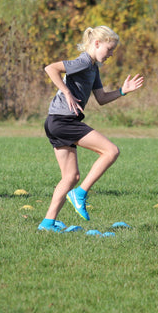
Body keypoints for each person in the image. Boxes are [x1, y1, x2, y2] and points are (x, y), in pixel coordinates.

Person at [38, 26, 144, 232]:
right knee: (111, 151)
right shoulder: (84, 60)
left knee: (71, 177)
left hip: (56, 121)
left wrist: (123, 91)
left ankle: (47, 223)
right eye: (109, 49)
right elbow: (50, 68)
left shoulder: (93, 68)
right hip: (63, 121)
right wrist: (67, 92)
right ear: (96, 44)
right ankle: (80, 194)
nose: (111, 54)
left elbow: (102, 99)